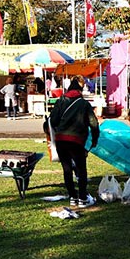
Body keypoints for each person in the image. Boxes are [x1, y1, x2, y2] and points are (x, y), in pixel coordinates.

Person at [48, 75, 100, 208]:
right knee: (81, 169)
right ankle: (82, 198)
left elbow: (52, 120)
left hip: (61, 140)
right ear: (80, 90)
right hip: (76, 141)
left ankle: (72, 197)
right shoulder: (83, 104)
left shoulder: (60, 101)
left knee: (67, 169)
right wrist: (94, 139)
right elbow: (94, 123)